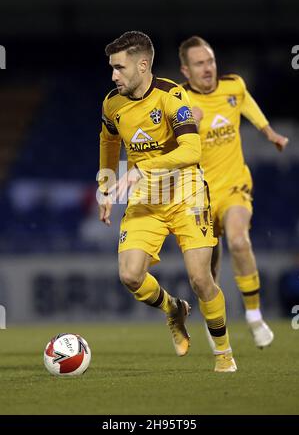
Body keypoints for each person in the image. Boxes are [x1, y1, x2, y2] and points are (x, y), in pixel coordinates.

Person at [98, 31, 237, 372]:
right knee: (130, 276)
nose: (113, 75)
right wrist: (106, 185)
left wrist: (141, 168)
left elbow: (192, 150)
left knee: (200, 278)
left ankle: (224, 354)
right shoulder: (112, 104)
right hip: (147, 196)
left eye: (119, 67)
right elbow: (109, 142)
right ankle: (174, 309)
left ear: (142, 65)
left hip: (186, 190)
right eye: (112, 68)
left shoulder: (171, 96)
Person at [179, 35, 289, 350]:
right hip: (197, 196)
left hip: (234, 186)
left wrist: (269, 133)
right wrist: (186, 125)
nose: (207, 68)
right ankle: (217, 327)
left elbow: (247, 104)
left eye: (210, 61)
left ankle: (254, 316)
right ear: (186, 71)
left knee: (239, 240)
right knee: (205, 273)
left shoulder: (233, 86)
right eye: (199, 63)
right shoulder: (180, 101)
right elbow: (168, 142)